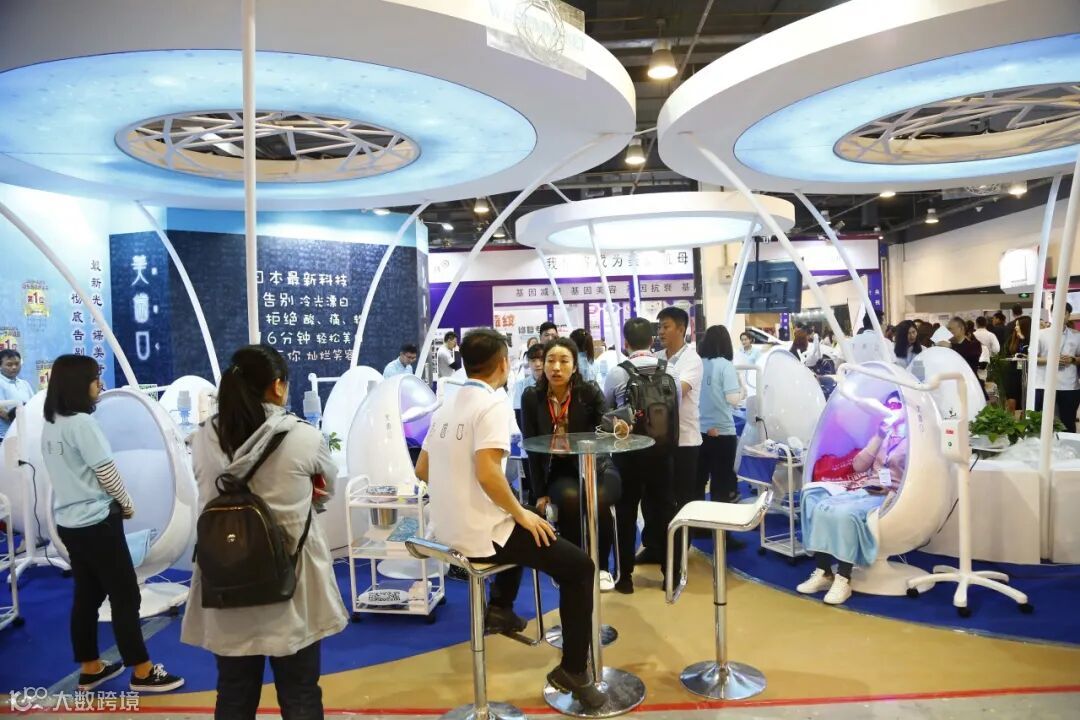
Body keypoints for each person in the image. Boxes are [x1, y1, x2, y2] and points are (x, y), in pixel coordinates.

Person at [414, 329, 605, 708]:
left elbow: (422, 469)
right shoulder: (494, 404)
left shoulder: (446, 405)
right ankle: (574, 669)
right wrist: (518, 514)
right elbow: (488, 473)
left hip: (445, 530)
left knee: (525, 519)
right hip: (481, 535)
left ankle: (501, 608)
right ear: (503, 363)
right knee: (580, 567)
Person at [182, 345, 345, 718]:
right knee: (300, 692)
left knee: (234, 692)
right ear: (277, 386)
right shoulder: (304, 436)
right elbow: (326, 490)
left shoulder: (203, 437)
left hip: (225, 580)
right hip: (290, 582)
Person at [41, 354, 184, 693]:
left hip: (70, 525)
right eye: (95, 379)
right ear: (80, 385)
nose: (100, 385)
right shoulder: (82, 424)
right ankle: (143, 671)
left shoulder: (52, 424)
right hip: (98, 523)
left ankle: (90, 667)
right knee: (125, 595)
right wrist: (127, 503)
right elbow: (106, 472)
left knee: (87, 595)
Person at [521, 338, 621, 591]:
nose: (556, 367)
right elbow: (531, 448)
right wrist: (539, 492)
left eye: (564, 361)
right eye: (550, 361)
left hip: (596, 463)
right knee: (569, 499)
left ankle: (602, 566)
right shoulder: (531, 397)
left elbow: (606, 422)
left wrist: (617, 425)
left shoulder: (588, 391)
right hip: (559, 468)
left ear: (575, 366)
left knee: (599, 499)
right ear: (543, 365)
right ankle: (575, 566)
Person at [797, 392, 908, 605]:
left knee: (845, 513)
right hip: (866, 488)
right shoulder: (883, 435)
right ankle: (824, 571)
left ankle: (844, 578)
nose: (892, 411)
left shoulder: (912, 442)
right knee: (813, 499)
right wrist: (879, 436)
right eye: (889, 406)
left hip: (891, 494)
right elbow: (858, 466)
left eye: (897, 407)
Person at [603, 317, 680, 593]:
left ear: (626, 343)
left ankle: (624, 577)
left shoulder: (618, 373)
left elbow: (608, 411)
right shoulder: (670, 370)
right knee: (665, 512)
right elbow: (676, 408)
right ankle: (671, 574)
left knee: (625, 514)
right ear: (652, 340)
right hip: (663, 453)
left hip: (629, 455)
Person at [654, 306, 703, 527]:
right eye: (659, 327)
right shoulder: (655, 358)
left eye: (666, 327)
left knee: (683, 500)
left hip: (685, 442)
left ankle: (682, 545)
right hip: (658, 440)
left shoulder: (692, 360)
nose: (660, 332)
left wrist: (650, 393)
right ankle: (658, 544)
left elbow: (676, 393)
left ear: (681, 329)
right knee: (658, 499)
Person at [698, 326, 744, 506]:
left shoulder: (697, 364)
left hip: (699, 431)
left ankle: (698, 520)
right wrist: (742, 391)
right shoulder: (726, 365)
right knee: (721, 483)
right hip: (723, 431)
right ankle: (719, 523)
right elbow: (733, 399)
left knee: (698, 482)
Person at [1033, 303, 1080, 433]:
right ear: (1052, 313)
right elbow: (1032, 358)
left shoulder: (1076, 335)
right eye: (1057, 311)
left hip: (1069, 386)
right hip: (1044, 385)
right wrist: (1052, 360)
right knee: (1042, 423)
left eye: (1064, 313)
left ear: (1068, 315)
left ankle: (1067, 446)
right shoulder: (1040, 334)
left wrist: (1072, 359)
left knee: (1068, 423)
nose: (1060, 315)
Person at [0, 349, 34, 443]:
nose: (14, 367)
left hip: (24, 434)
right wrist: (18, 422)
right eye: (9, 364)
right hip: (6, 436)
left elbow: (33, 404)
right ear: (0, 365)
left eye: (17, 364)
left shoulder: (24, 383)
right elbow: (1, 411)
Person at [1003, 315, 1032, 412]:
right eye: (1015, 325)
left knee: (1024, 400)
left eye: (1018, 325)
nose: (1016, 327)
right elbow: (1006, 352)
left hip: (1025, 372)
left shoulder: (1030, 340)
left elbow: (1027, 352)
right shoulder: (1012, 338)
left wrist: (1023, 338)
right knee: (1011, 398)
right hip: (1012, 371)